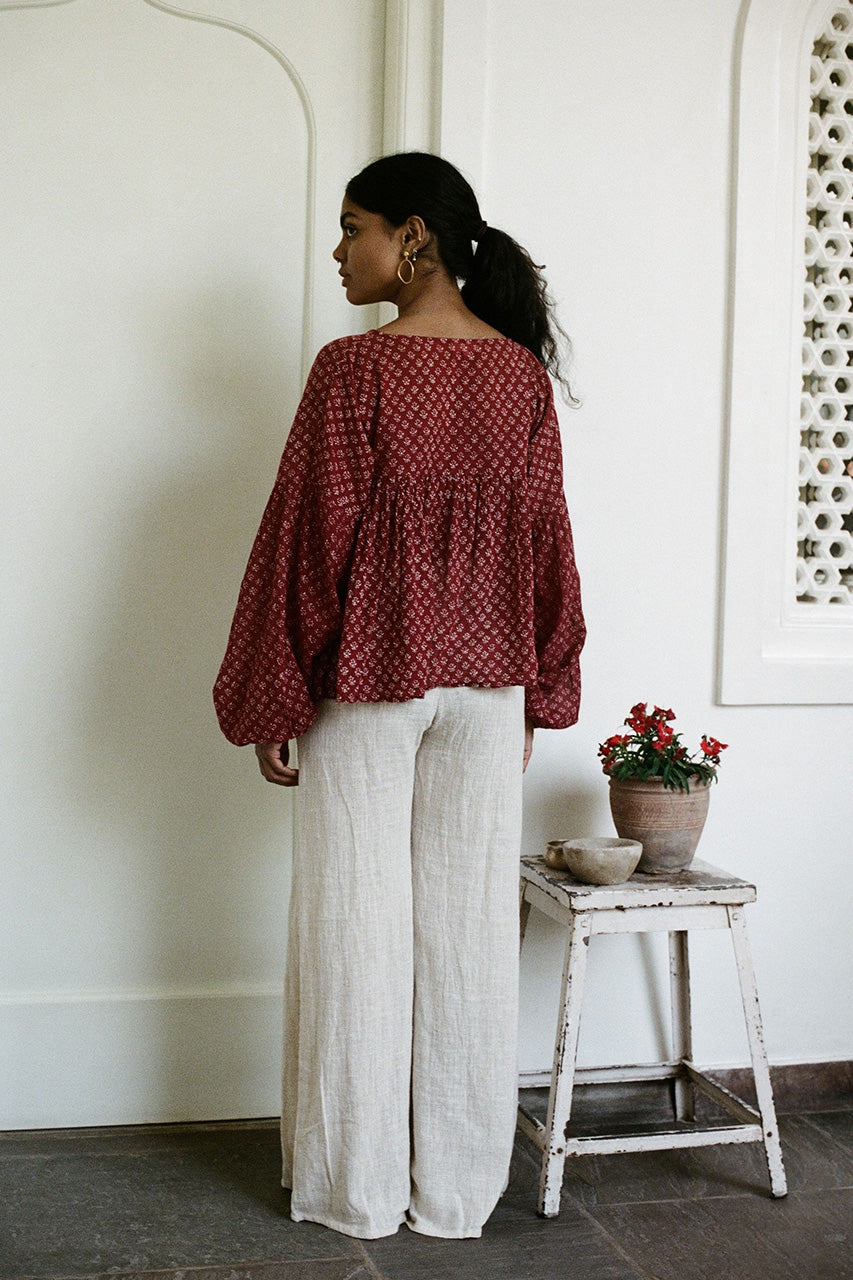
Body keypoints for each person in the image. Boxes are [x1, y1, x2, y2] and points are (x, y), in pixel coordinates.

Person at [213, 151, 585, 1240]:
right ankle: (457, 1193)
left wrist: (275, 693)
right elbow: (548, 540)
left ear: (411, 235)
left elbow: (307, 541)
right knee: (468, 939)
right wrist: (538, 687)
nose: (339, 251)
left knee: (353, 931)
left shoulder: (355, 371)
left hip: (370, 686)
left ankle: (357, 1190)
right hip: (489, 689)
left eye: (353, 227)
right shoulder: (518, 376)